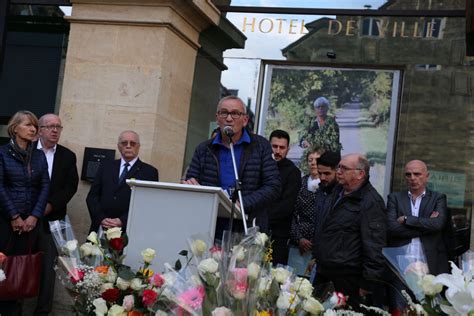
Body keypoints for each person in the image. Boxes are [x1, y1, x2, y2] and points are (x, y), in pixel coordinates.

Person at [183, 95, 281, 233]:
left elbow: (273, 186)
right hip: (210, 224)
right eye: (224, 113)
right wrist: (191, 187)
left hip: (248, 225)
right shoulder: (204, 149)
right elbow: (191, 181)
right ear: (217, 118)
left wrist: (243, 203)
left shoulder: (260, 146)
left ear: (245, 120)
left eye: (235, 114)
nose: (229, 118)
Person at [313, 153, 386, 311]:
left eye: (344, 168)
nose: (338, 171)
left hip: (348, 279)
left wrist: (367, 283)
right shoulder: (337, 191)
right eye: (339, 167)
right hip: (324, 272)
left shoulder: (370, 202)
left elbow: (374, 246)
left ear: (360, 174)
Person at [0, 111, 49, 316]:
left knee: (20, 270)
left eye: (35, 127)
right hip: (5, 222)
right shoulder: (2, 153)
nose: (33, 129)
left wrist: (34, 216)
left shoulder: (38, 156)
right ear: (15, 128)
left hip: (30, 223)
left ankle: (14, 311)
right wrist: (14, 216)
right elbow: (0, 186)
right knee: (3, 268)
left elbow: (45, 186)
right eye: (28, 125)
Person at [386, 160, 452, 313]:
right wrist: (426, 225)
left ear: (426, 176)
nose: (412, 178)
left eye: (417, 174)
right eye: (408, 174)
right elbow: (391, 228)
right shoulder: (395, 198)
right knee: (399, 310)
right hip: (401, 267)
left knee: (429, 311)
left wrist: (407, 220)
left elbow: (438, 224)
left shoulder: (438, 198)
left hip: (430, 267)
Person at [34, 113, 79, 316]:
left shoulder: (67, 156)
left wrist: (51, 205)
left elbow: (71, 186)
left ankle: (42, 312)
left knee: (48, 271)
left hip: (51, 221)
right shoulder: (27, 151)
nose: (55, 130)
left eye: (58, 127)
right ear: (40, 129)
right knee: (15, 264)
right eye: (50, 126)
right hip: (23, 220)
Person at [87, 130, 159, 233]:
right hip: (101, 227)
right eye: (124, 143)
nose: (128, 146)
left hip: (129, 231)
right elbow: (92, 197)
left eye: (132, 143)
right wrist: (101, 218)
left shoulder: (149, 172)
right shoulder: (106, 167)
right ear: (118, 146)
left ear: (138, 146)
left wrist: (122, 221)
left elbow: (148, 204)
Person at [268, 129, 301, 265]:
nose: (278, 151)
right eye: (274, 146)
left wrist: (264, 217)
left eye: (282, 147)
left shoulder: (293, 172)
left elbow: (287, 205)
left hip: (279, 235)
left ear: (288, 149)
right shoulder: (261, 166)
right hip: (255, 229)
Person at [289, 147, 324, 274]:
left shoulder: (329, 187)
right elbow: (291, 213)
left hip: (319, 245)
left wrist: (314, 242)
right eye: (310, 160)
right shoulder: (300, 182)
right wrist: (299, 238)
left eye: (317, 160)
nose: (313, 163)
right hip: (297, 242)